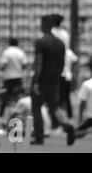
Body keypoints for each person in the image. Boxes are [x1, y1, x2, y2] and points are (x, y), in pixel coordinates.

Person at [30, 15, 75, 145]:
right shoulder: (60, 43)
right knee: (55, 106)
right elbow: (62, 63)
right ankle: (66, 124)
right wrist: (57, 76)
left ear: (45, 25)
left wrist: (35, 80)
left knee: (37, 107)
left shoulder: (41, 42)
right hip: (55, 79)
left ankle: (39, 136)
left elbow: (39, 63)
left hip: (42, 79)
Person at [51, 14, 76, 122]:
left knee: (57, 99)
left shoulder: (53, 33)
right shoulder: (65, 35)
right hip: (67, 74)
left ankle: (59, 121)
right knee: (66, 98)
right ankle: (69, 118)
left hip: (57, 73)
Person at [0, 38, 29, 119]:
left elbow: (2, 65)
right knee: (19, 96)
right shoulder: (20, 52)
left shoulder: (7, 52)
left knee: (5, 97)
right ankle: (19, 113)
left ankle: (1, 115)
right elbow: (25, 64)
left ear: (9, 43)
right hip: (18, 77)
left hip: (8, 77)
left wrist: (3, 68)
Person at [76, 59, 92, 139]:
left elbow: (82, 103)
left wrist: (80, 117)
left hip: (90, 118)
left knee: (75, 134)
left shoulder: (87, 84)